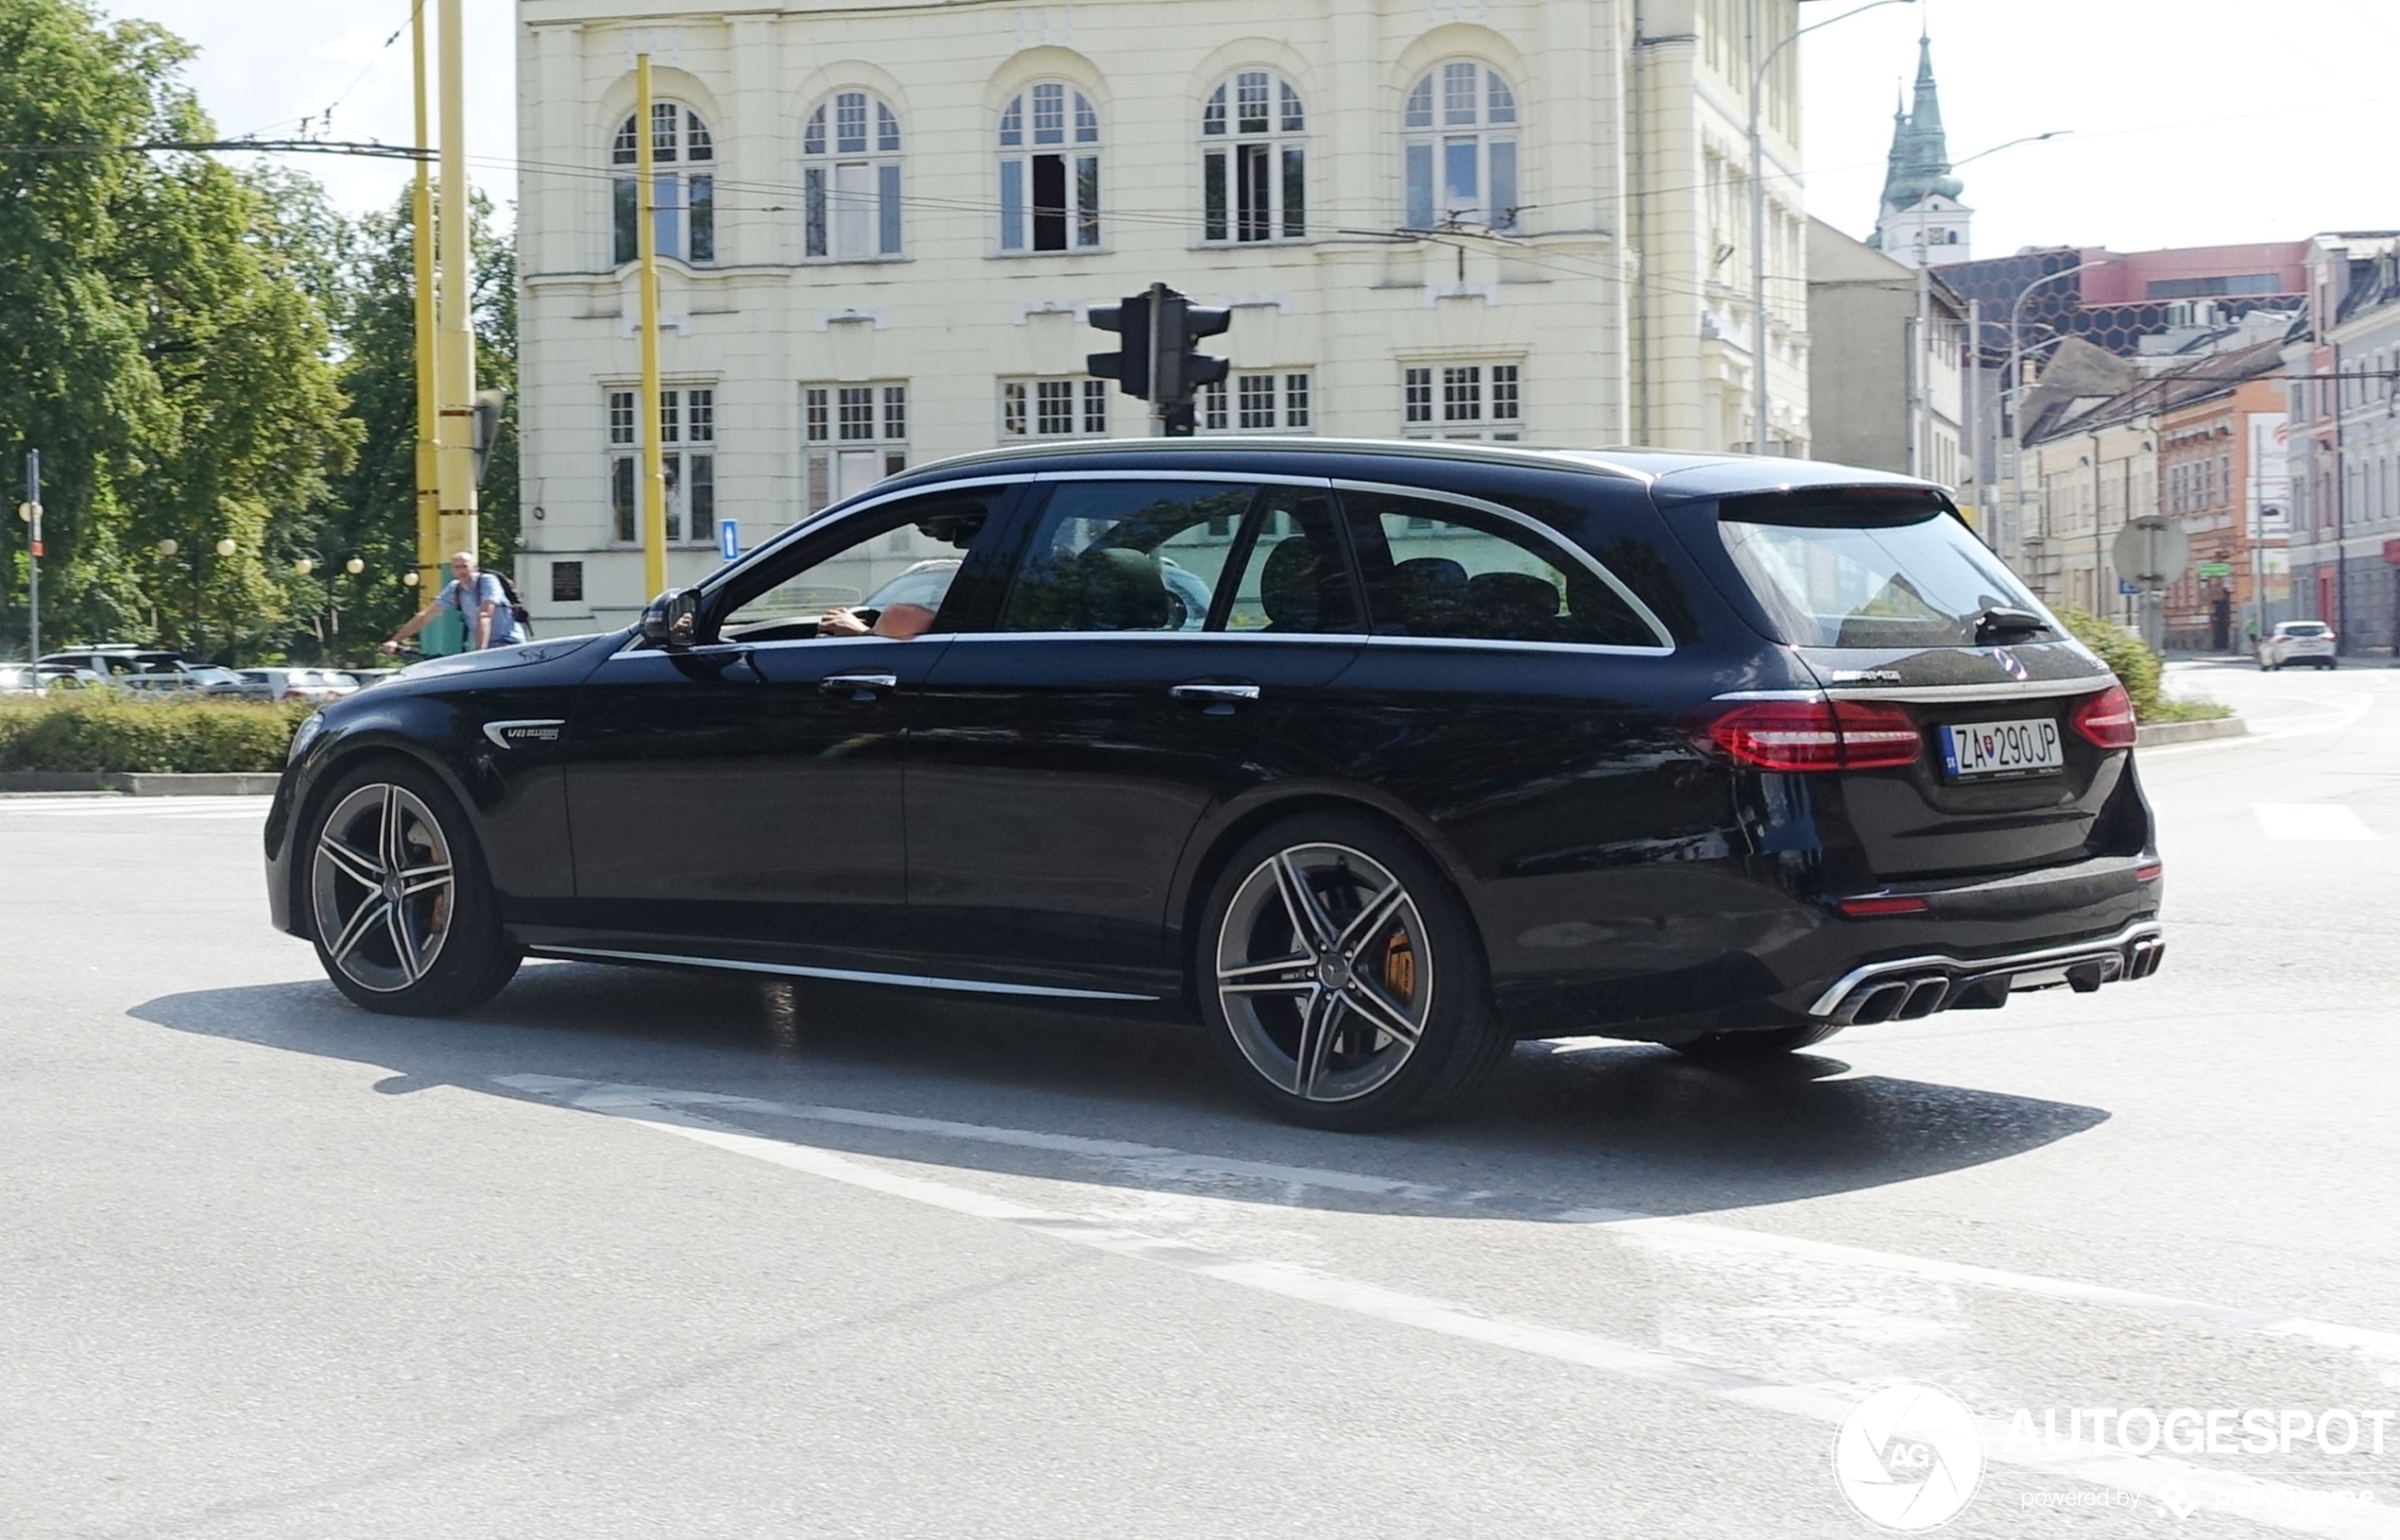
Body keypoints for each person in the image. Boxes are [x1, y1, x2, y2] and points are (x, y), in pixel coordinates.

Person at [384, 551, 527, 654]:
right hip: (487, 650)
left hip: (510, 645)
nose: (461, 571)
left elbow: (485, 616)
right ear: (452, 570)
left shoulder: (487, 581)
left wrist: (481, 653)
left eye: (465, 566)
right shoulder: (455, 588)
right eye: (457, 567)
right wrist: (396, 640)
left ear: (474, 567)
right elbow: (426, 615)